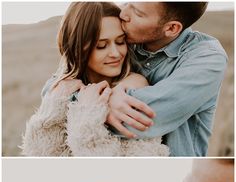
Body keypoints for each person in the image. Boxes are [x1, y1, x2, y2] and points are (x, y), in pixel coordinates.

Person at [22, 2, 168, 157]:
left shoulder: (133, 85)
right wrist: (53, 107)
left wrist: (88, 113)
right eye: (101, 45)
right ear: (78, 49)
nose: (115, 53)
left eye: (120, 41)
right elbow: (41, 154)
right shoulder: (61, 91)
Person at [107, 2, 228, 156]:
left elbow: (139, 121)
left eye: (137, 13)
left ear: (171, 28)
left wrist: (96, 102)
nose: (123, 13)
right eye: (127, 2)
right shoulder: (118, 40)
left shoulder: (208, 58)